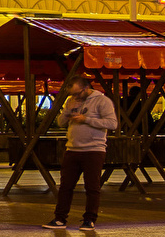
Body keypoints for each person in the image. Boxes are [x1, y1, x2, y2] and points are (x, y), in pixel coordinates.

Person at [46, 75, 116, 233]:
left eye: (77, 93)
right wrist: (66, 113)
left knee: (92, 187)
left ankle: (89, 219)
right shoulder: (71, 101)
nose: (75, 97)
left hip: (94, 150)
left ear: (86, 88)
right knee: (65, 186)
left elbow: (112, 123)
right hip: (72, 149)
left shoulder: (102, 101)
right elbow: (60, 122)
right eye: (72, 94)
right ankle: (59, 218)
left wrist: (86, 119)